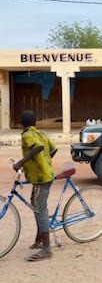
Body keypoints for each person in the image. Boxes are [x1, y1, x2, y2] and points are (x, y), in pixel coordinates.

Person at [12, 110, 57, 262]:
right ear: (35, 122)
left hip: (41, 178)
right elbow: (53, 149)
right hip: (45, 175)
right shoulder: (41, 132)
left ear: (21, 122)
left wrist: (21, 162)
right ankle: (39, 239)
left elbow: (38, 147)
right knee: (36, 205)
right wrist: (42, 163)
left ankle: (46, 248)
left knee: (40, 209)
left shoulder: (27, 135)